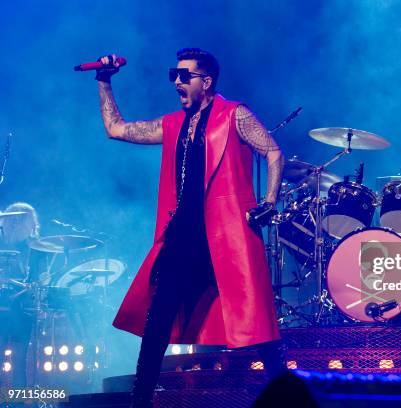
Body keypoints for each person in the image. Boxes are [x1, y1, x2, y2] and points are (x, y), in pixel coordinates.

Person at [94, 48, 285, 407]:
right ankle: (141, 400)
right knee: (158, 321)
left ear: (206, 82)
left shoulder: (235, 115)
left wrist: (270, 201)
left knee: (257, 323)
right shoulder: (173, 123)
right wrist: (104, 82)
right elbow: (115, 129)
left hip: (227, 234)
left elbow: (273, 151)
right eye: (174, 75)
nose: (177, 81)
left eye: (184, 75)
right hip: (183, 236)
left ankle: (289, 393)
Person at [0, 202, 40, 389]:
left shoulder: (37, 248)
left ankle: (17, 403)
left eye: (22, 220)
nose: (16, 223)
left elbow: (38, 279)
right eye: (13, 219)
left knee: (19, 360)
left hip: (22, 309)